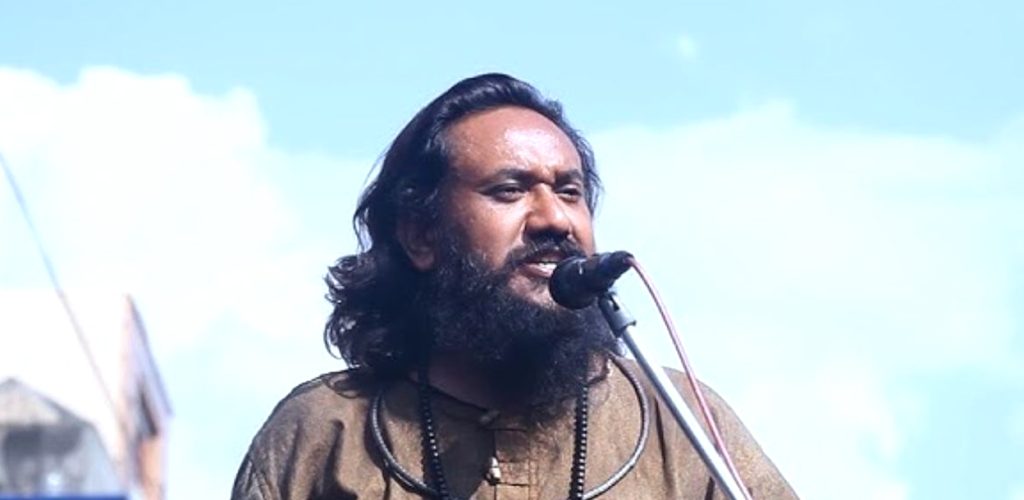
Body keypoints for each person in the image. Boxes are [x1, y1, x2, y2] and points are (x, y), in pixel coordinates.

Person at [231, 73, 798, 499]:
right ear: (421, 235)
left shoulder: (683, 424)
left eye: (570, 192)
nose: (554, 219)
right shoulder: (323, 433)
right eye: (509, 190)